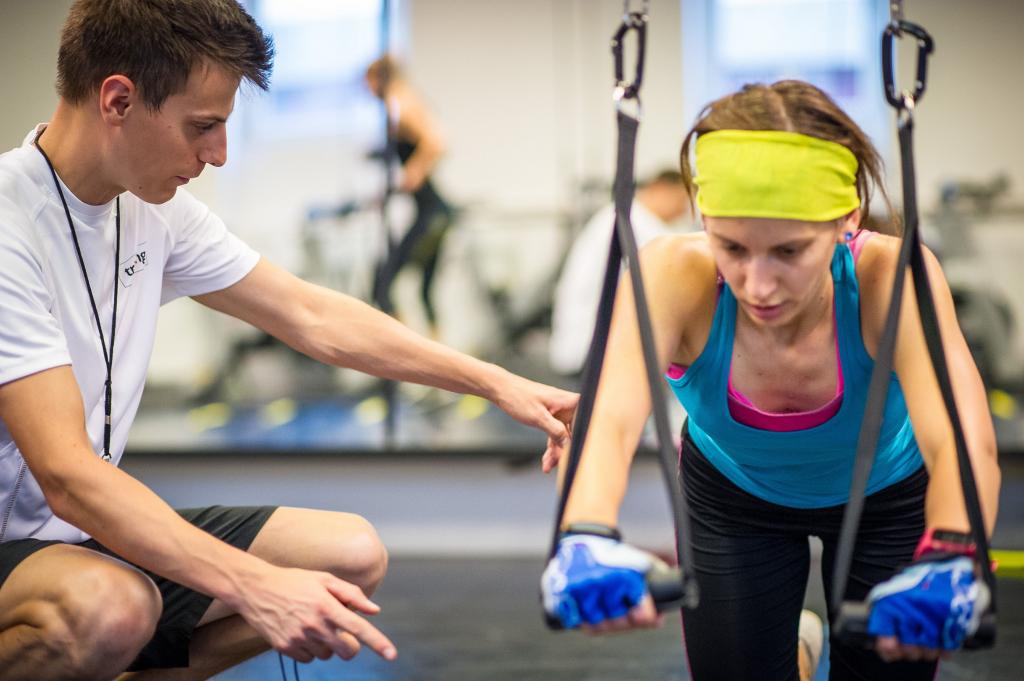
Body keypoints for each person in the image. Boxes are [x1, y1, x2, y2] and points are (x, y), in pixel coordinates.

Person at [0, 2, 577, 679]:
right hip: (24, 550)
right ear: (118, 101)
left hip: (77, 539)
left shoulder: (156, 213)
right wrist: (255, 585)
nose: (217, 155)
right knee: (113, 607)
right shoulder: (10, 223)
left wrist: (496, 382)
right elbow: (68, 476)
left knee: (348, 556)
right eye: (203, 127)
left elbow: (312, 315)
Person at [540, 80, 1001, 681]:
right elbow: (606, 419)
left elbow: (961, 438)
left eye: (788, 252)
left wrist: (955, 551)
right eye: (731, 246)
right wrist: (583, 532)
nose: (757, 286)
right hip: (733, 499)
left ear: (847, 219)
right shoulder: (671, 275)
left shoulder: (891, 276)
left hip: (887, 499)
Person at [550, 170, 695, 375]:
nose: (684, 211)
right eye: (682, 200)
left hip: (589, 346)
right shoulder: (636, 224)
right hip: (595, 350)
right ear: (660, 189)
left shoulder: (620, 216)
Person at [365, 55, 454, 337]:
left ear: (379, 78)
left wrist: (412, 174)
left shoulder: (400, 103)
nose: (367, 90)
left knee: (383, 285)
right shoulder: (403, 101)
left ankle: (402, 352)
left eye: (369, 82)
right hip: (437, 214)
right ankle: (434, 357)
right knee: (423, 292)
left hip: (433, 215)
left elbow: (437, 142)